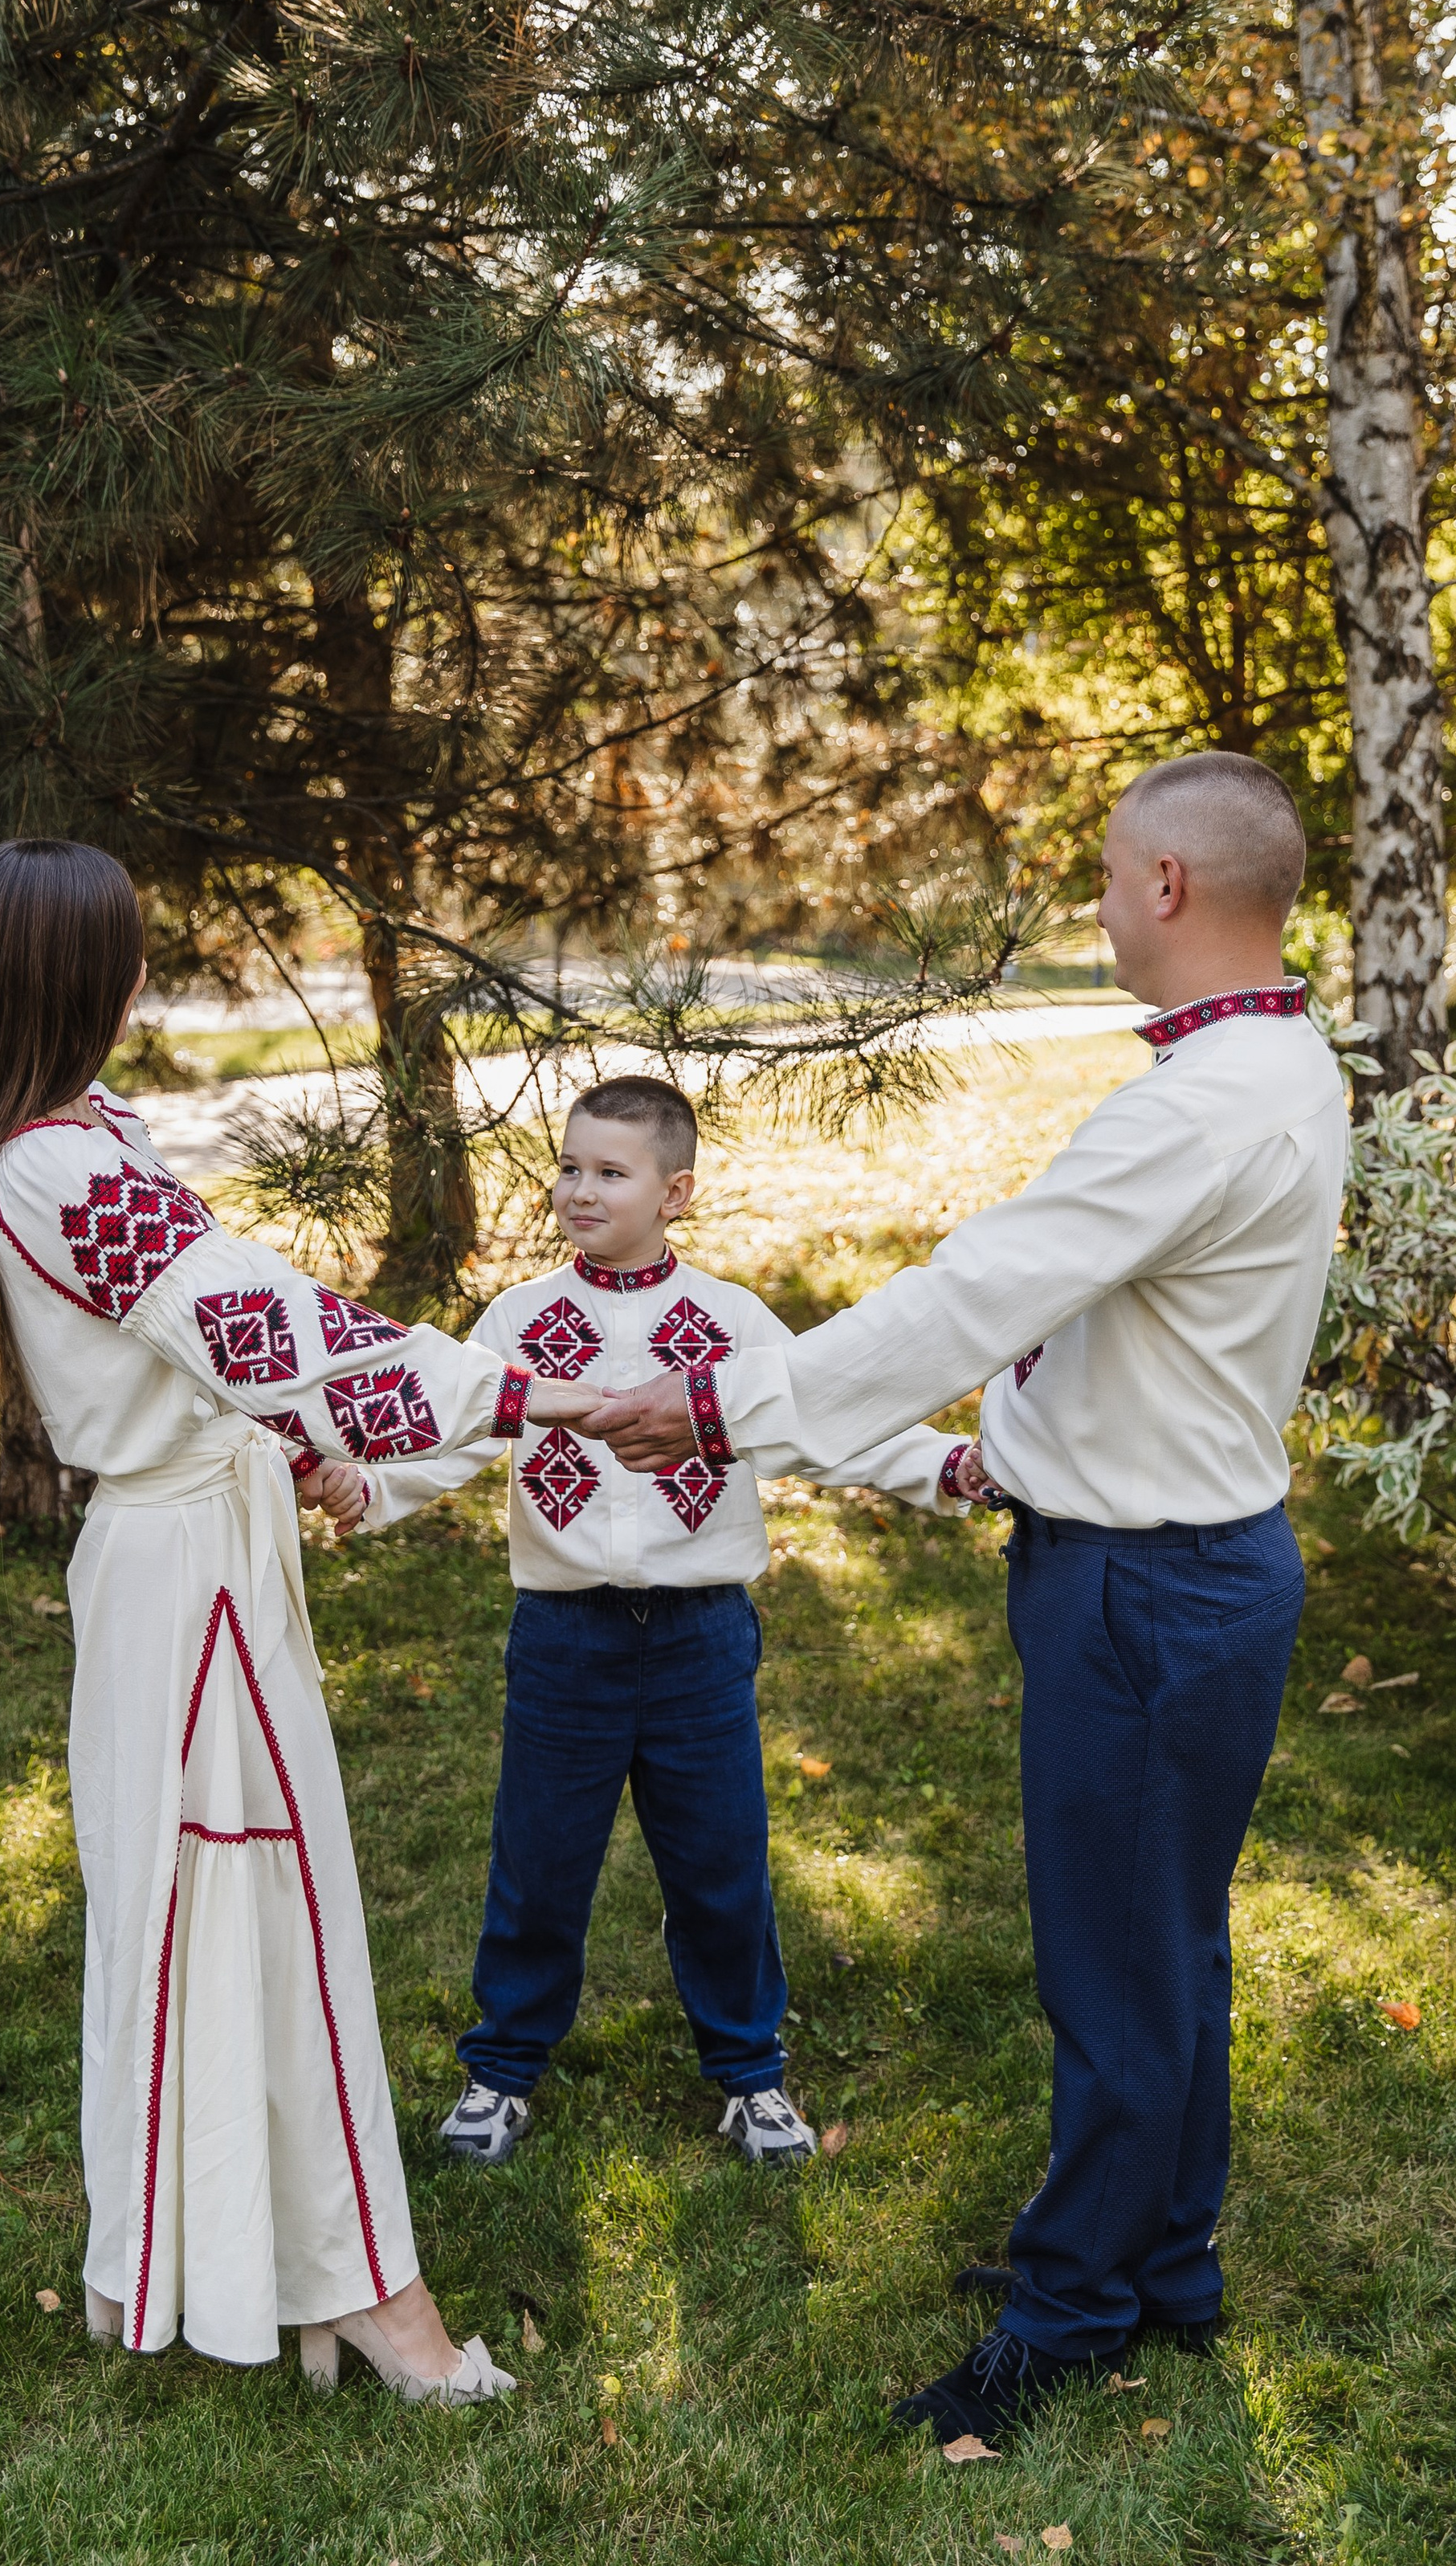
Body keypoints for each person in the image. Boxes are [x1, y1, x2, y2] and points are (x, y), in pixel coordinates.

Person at [573, 756, 1347, 2442]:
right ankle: (1166, 2266)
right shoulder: (1280, 1056)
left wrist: (721, 1403)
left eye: (1101, 872)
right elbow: (1101, 1316)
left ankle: (1075, 2307)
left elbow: (985, 1283)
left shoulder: (1202, 1098)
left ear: (1161, 888)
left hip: (1140, 1591)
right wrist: (1004, 1438)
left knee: (1113, 1966)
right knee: (1168, 1945)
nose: (1091, 900)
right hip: (1201, 1562)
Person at [0, 838, 596, 2401]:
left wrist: (312, 1446)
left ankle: (186, 2261)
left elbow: (208, 1355)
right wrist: (535, 1393)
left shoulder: (76, 1140)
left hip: (191, 1562)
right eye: (127, 953)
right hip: (187, 1594)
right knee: (257, 1917)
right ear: (83, 981)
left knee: (211, 1913)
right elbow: (259, 1322)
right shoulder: (57, 1167)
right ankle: (368, 2298)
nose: (145, 973)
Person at [317, 1075, 981, 2173]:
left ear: (676, 1192)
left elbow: (827, 1424)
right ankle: (502, 2070)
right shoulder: (522, 1320)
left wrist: (945, 1469)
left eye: (610, 1173)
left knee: (720, 1866)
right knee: (539, 1865)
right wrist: (370, 1487)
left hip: (699, 1639)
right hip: (565, 1640)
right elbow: (453, 1436)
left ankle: (751, 2074)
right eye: (569, 1167)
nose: (580, 1189)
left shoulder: (727, 1321)